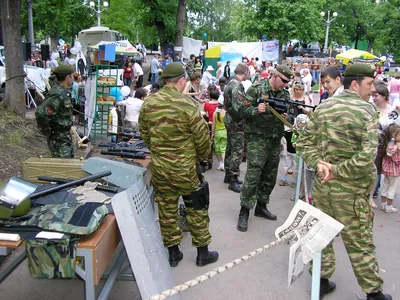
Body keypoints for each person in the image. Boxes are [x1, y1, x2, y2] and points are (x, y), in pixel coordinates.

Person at [296, 64, 392, 300]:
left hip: (324, 188)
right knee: (359, 241)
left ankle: (320, 280)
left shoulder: (324, 106)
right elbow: (366, 157)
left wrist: (320, 164)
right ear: (355, 84)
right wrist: (335, 170)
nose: (373, 89)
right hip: (352, 192)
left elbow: (302, 142)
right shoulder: (367, 111)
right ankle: (373, 293)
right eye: (370, 84)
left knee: (321, 236)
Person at [138, 62, 219, 268]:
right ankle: (202, 253)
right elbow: (202, 139)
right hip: (185, 169)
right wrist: (199, 159)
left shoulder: (148, 103)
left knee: (166, 209)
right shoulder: (187, 105)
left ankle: (173, 254)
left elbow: (145, 134)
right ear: (182, 80)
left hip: (161, 169)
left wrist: (160, 151)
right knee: (196, 207)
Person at [237, 66, 293, 232]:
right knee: (253, 175)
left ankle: (261, 205)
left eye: (287, 82)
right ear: (275, 76)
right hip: (257, 139)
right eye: (283, 80)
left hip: (275, 140)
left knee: (270, 176)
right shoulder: (256, 89)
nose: (285, 84)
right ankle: (245, 210)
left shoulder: (285, 94)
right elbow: (241, 110)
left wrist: (286, 117)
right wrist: (256, 110)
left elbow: (289, 114)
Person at [35, 64, 75, 158]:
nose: (73, 78)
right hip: (59, 139)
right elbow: (41, 113)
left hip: (65, 137)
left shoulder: (63, 92)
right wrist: (47, 131)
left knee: (68, 166)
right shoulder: (57, 94)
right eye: (72, 76)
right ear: (67, 77)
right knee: (62, 168)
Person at [223, 63, 250, 193]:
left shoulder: (230, 82)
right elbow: (238, 107)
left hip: (229, 119)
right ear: (245, 73)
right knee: (237, 150)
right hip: (236, 122)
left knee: (230, 147)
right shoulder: (237, 85)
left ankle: (228, 175)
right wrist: (250, 110)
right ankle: (233, 178)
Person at [379, 124, 400, 213]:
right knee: (392, 189)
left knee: (385, 187)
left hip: (387, 170)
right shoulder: (394, 147)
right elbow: (396, 160)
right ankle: (389, 207)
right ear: (394, 135)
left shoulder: (387, 143)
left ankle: (383, 205)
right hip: (394, 171)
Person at [212, 97, 227, 171]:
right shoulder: (225, 113)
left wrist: (212, 134)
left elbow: (213, 125)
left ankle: (220, 164)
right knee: (223, 148)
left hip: (217, 132)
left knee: (217, 149)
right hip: (225, 132)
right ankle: (223, 164)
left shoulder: (215, 113)